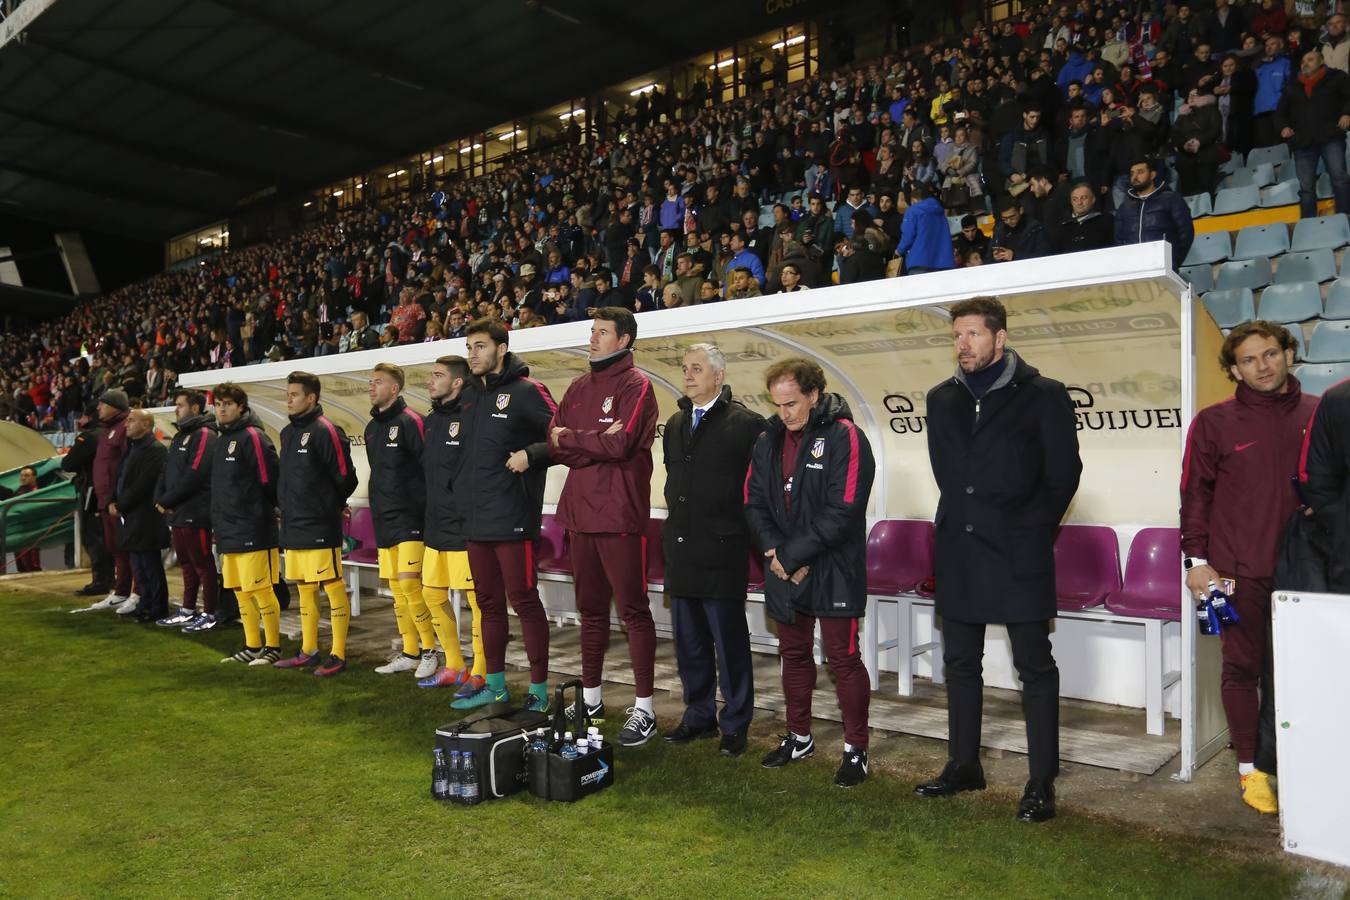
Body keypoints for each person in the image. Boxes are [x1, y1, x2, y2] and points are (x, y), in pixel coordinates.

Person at [915, 297, 1082, 823]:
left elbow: (1063, 475)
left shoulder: (1044, 395)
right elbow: (946, 471)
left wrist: (1029, 527)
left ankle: (1041, 781)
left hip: (1018, 551)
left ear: (1000, 337)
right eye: (957, 335)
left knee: (1035, 666)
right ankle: (964, 765)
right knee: (960, 663)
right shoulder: (941, 398)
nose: (963, 344)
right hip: (960, 549)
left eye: (973, 334)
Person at [1182, 321, 1316, 815]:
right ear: (1233, 370)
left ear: (1287, 353)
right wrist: (1197, 561)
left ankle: (1299, 760)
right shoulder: (1214, 422)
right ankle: (1250, 771)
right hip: (1237, 570)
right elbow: (1194, 496)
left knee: (1303, 672)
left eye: (1270, 354)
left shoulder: (1320, 414)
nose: (1263, 366)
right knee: (1242, 669)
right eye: (1249, 359)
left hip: (1308, 573)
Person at [745, 358, 876, 787]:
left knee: (842, 659)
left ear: (814, 395)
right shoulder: (766, 440)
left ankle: (856, 749)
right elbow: (754, 502)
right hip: (785, 568)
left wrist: (794, 557)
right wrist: (776, 555)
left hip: (833, 568)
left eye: (792, 403)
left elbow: (844, 509)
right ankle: (799, 736)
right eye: (778, 404)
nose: (785, 413)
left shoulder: (846, 436)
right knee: (794, 655)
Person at [538, 307, 661, 745]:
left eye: (602, 332)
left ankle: (644, 708)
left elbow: (622, 442)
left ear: (624, 340)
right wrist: (592, 440)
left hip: (619, 515)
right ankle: (590, 698)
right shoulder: (577, 385)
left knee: (632, 611)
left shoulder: (638, 386)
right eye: (592, 332)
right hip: (580, 514)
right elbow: (555, 445)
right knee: (590, 612)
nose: (593, 339)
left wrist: (575, 437)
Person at [661, 344, 765, 757]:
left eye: (697, 369)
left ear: (719, 376)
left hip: (723, 550)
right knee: (689, 644)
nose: (688, 375)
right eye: (685, 368)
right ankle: (698, 715)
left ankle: (736, 723)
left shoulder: (746, 424)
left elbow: (757, 489)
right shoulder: (674, 422)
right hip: (682, 550)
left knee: (730, 644)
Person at [452, 319, 556, 712]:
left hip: (513, 517)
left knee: (525, 601)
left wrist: (532, 455)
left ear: (501, 347)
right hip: (477, 521)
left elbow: (562, 434)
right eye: (469, 347)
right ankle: (494, 686)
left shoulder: (529, 391)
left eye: (479, 346)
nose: (472, 354)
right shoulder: (472, 395)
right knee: (488, 605)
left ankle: (540, 691)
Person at [274, 372, 358, 677]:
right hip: (294, 525)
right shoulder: (286, 433)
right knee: (305, 589)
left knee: (332, 587)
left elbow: (346, 477)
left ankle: (338, 654)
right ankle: (308, 650)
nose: (289, 399)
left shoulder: (326, 431)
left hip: (320, 525)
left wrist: (328, 507)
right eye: (288, 394)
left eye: (295, 394)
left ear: (311, 398)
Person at [416, 355, 488, 693]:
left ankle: (481, 671)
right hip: (435, 528)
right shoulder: (430, 421)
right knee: (432, 595)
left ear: (457, 382)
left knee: (478, 602)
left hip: (464, 528)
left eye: (438, 375)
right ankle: (454, 665)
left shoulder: (472, 417)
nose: (431, 381)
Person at [364, 363, 438, 678]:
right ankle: (409, 652)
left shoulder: (411, 422)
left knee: (411, 586)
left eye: (378, 382)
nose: (371, 387)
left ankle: (430, 651)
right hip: (384, 518)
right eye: (370, 382)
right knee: (396, 590)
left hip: (411, 518)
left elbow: (429, 468)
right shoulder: (370, 429)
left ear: (395, 389)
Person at [211, 382, 284, 666]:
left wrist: (258, 511)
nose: (221, 409)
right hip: (228, 529)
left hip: (254, 528)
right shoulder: (221, 439)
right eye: (218, 404)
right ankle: (253, 645)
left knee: (261, 591)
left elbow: (270, 481)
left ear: (241, 406)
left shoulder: (253, 436)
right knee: (241, 591)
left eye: (227, 404)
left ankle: (273, 647)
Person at [151, 389, 219, 632]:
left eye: (180, 405)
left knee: (202, 564)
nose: (176, 409)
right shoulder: (181, 435)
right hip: (178, 511)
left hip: (196, 511)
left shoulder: (204, 435)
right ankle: (188, 610)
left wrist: (167, 500)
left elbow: (196, 474)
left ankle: (210, 612)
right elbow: (166, 469)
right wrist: (160, 497)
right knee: (186, 564)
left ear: (196, 408)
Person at [109, 410, 170, 622]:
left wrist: (120, 504)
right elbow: (120, 479)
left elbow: (143, 484)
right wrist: (112, 500)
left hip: (145, 517)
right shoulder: (132, 448)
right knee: (138, 565)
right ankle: (145, 604)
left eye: (132, 420)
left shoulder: (155, 450)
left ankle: (157, 606)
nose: (126, 424)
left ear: (146, 424)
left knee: (149, 565)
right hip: (131, 516)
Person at [1275, 48, 1350, 218]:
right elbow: (1280, 114)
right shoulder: (1292, 87)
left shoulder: (1337, 77)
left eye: (1310, 60)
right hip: (1302, 143)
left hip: (1331, 137)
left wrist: (1347, 113)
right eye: (1302, 61)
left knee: (1340, 178)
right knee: (1306, 187)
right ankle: (1308, 224)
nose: (1305, 64)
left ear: (1321, 61)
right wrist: (1283, 127)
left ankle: (1345, 218)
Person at [93, 390, 138, 613]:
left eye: (103, 404)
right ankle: (121, 592)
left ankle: (136, 592)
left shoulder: (124, 428)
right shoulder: (107, 430)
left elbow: (127, 467)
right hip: (105, 500)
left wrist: (118, 498)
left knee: (129, 548)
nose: (98, 408)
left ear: (115, 406)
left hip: (118, 502)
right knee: (116, 548)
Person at [1113, 157, 1195, 267]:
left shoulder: (1171, 199)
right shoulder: (1124, 207)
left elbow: (1186, 233)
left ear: (1152, 175)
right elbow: (1118, 239)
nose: (1135, 177)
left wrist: (1173, 261)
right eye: (1132, 174)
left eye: (1140, 172)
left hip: (1163, 266)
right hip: (1133, 267)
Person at [895, 183, 956, 274]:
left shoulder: (912, 211)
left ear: (914, 200)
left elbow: (908, 235)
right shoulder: (941, 213)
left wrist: (899, 250)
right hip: (945, 263)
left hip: (919, 261)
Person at [1054, 183, 1115, 254]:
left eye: (1084, 198)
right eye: (1075, 199)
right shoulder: (1063, 226)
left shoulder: (1107, 220)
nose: (1079, 202)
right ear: (1071, 202)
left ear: (1093, 199)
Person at [991, 198, 1052, 262]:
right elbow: (989, 256)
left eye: (1012, 217)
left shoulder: (1035, 228)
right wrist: (996, 257)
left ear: (1021, 210)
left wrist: (1014, 256)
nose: (1008, 221)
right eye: (1004, 219)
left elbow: (1044, 255)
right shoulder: (1000, 229)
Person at [10, 466, 42, 572]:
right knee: (21, 568)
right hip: (18, 533)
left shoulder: (36, 493)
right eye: (22, 475)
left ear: (34, 477)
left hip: (30, 533)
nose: (23, 478)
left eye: (27, 475)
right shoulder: (19, 491)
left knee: (31, 566)